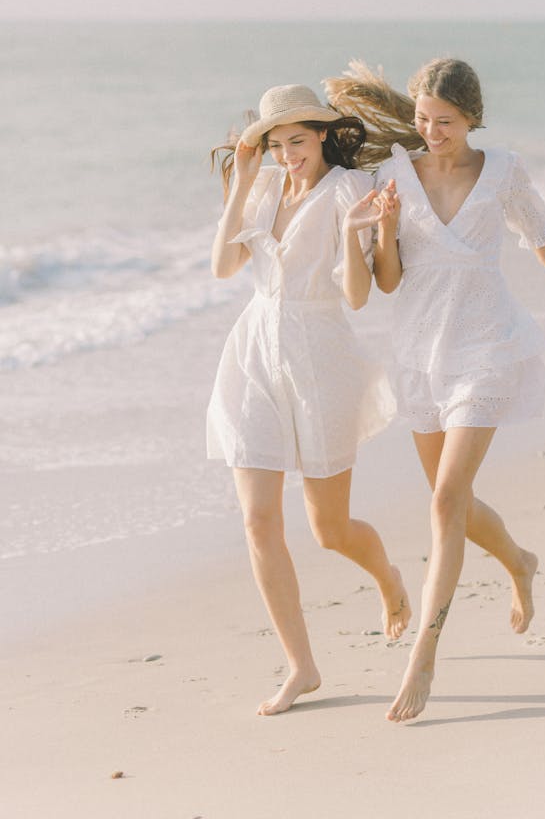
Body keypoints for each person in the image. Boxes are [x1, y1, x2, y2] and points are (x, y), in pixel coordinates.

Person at [325, 59, 545, 722]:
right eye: (421, 119)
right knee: (458, 505)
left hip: (486, 344)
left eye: (444, 122)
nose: (431, 132)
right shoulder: (393, 174)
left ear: (473, 118)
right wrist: (383, 228)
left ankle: (425, 654)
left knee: (445, 499)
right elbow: (387, 282)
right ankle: (520, 560)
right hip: (420, 352)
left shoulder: (501, 171)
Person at [207, 83, 410, 716]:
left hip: (319, 354)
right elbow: (223, 268)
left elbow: (357, 297)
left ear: (323, 134)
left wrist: (356, 233)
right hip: (253, 351)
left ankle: (390, 579)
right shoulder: (263, 189)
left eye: (298, 140)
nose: (288, 154)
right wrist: (242, 181)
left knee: (329, 529)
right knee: (257, 519)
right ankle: (301, 667)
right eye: (276, 144)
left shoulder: (351, 192)